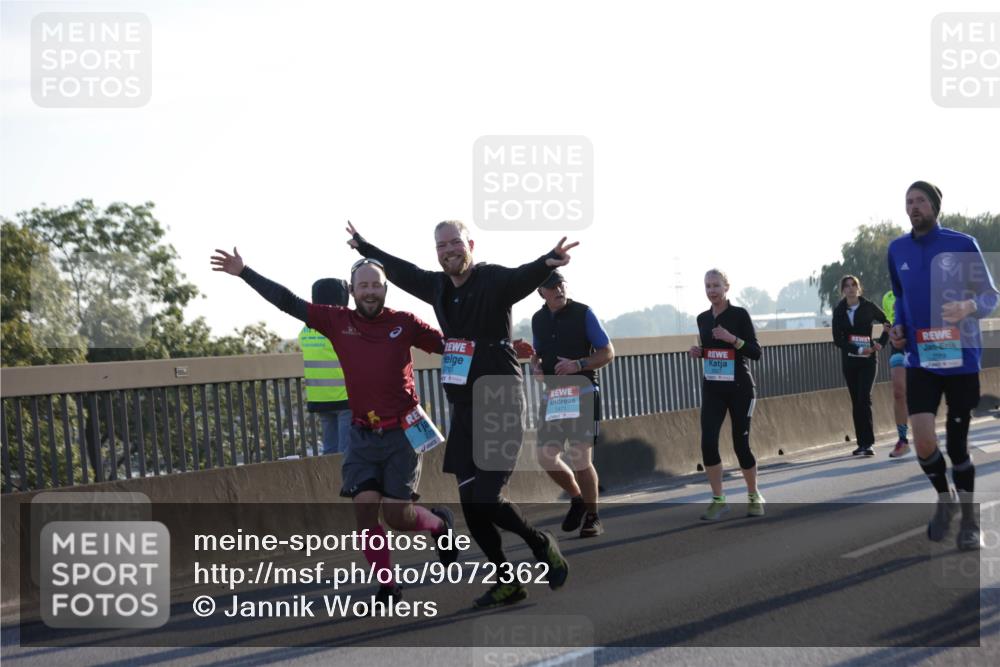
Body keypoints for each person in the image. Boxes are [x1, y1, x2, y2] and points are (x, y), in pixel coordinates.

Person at [347, 220, 574, 608]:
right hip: (464, 405)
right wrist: (365, 247)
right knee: (472, 506)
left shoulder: (492, 280)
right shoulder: (436, 286)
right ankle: (508, 581)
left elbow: (523, 277)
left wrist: (548, 261)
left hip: (500, 399)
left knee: (487, 497)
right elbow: (401, 272)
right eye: (441, 246)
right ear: (436, 251)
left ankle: (540, 543)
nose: (449, 250)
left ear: (469, 244)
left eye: (455, 243)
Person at [211, 248, 457, 602]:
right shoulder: (336, 321)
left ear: (385, 288)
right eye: (363, 286)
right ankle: (388, 585)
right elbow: (287, 301)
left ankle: (438, 524)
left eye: (376, 285)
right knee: (365, 509)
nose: (370, 291)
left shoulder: (404, 323)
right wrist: (245, 272)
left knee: (398, 517)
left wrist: (505, 348)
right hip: (361, 433)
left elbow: (454, 346)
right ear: (352, 290)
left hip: (402, 432)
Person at [888, 181, 999, 551]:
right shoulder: (897, 249)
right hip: (922, 358)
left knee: (957, 446)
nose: (914, 206)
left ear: (935, 206)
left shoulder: (962, 243)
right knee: (922, 441)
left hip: (962, 359)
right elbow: (900, 295)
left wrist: (968, 307)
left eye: (920, 200)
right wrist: (899, 327)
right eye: (909, 201)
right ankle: (945, 497)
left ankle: (969, 521)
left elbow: (990, 296)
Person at [529, 270, 615, 538]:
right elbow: (539, 355)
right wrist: (536, 368)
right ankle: (578, 498)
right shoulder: (538, 319)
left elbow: (608, 352)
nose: (558, 290)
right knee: (545, 456)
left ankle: (593, 516)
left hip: (583, 392)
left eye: (561, 284)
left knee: (580, 457)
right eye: (551, 287)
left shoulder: (583, 313)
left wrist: (578, 364)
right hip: (554, 395)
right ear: (541, 293)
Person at [688, 269, 764, 520]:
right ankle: (718, 500)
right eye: (707, 286)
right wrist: (700, 352)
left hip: (741, 388)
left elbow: (755, 352)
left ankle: (754, 495)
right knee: (708, 442)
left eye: (716, 286)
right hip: (713, 388)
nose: (712, 291)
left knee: (741, 445)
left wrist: (733, 339)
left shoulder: (739, 315)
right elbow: (712, 351)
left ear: (726, 287)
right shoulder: (702, 319)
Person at [831, 275, 890, 456]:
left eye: (853, 285)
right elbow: (838, 340)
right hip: (850, 361)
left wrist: (880, 343)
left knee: (864, 398)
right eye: (846, 286)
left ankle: (869, 443)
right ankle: (861, 444)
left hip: (868, 361)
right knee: (856, 401)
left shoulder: (868, 307)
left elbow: (886, 323)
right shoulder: (839, 311)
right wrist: (857, 350)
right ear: (843, 291)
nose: (850, 289)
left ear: (858, 288)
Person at [299, 278, 352, 455]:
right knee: (347, 451)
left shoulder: (306, 330)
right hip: (344, 397)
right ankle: (347, 483)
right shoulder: (341, 326)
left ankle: (330, 483)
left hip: (320, 398)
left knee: (329, 450)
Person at [882, 289, 911, 458]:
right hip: (898, 346)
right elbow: (890, 320)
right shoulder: (888, 297)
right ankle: (902, 439)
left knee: (922, 389)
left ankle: (928, 432)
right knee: (899, 392)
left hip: (919, 342)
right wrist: (889, 328)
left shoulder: (917, 286)